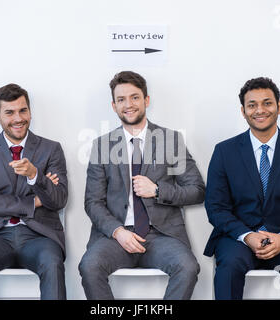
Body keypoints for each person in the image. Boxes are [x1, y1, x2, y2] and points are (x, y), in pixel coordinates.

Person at [78, 71, 205, 300]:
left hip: (161, 236)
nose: (128, 105)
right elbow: (92, 202)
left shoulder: (171, 140)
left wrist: (157, 190)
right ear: (114, 106)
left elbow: (197, 190)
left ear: (146, 100)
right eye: (121, 99)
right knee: (89, 266)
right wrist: (118, 232)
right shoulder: (101, 146)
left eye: (135, 97)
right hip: (116, 237)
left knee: (187, 268)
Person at [204, 77, 280, 300]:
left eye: (267, 103)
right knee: (228, 266)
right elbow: (216, 207)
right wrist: (247, 236)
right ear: (243, 111)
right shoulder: (224, 151)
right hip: (238, 238)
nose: (260, 110)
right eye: (252, 105)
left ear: (279, 106)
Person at [0, 83, 68, 300]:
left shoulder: (51, 149)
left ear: (30, 111)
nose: (18, 118)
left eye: (23, 110)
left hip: (39, 237)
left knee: (52, 263)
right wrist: (34, 202)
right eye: (9, 112)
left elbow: (59, 199)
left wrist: (34, 175)